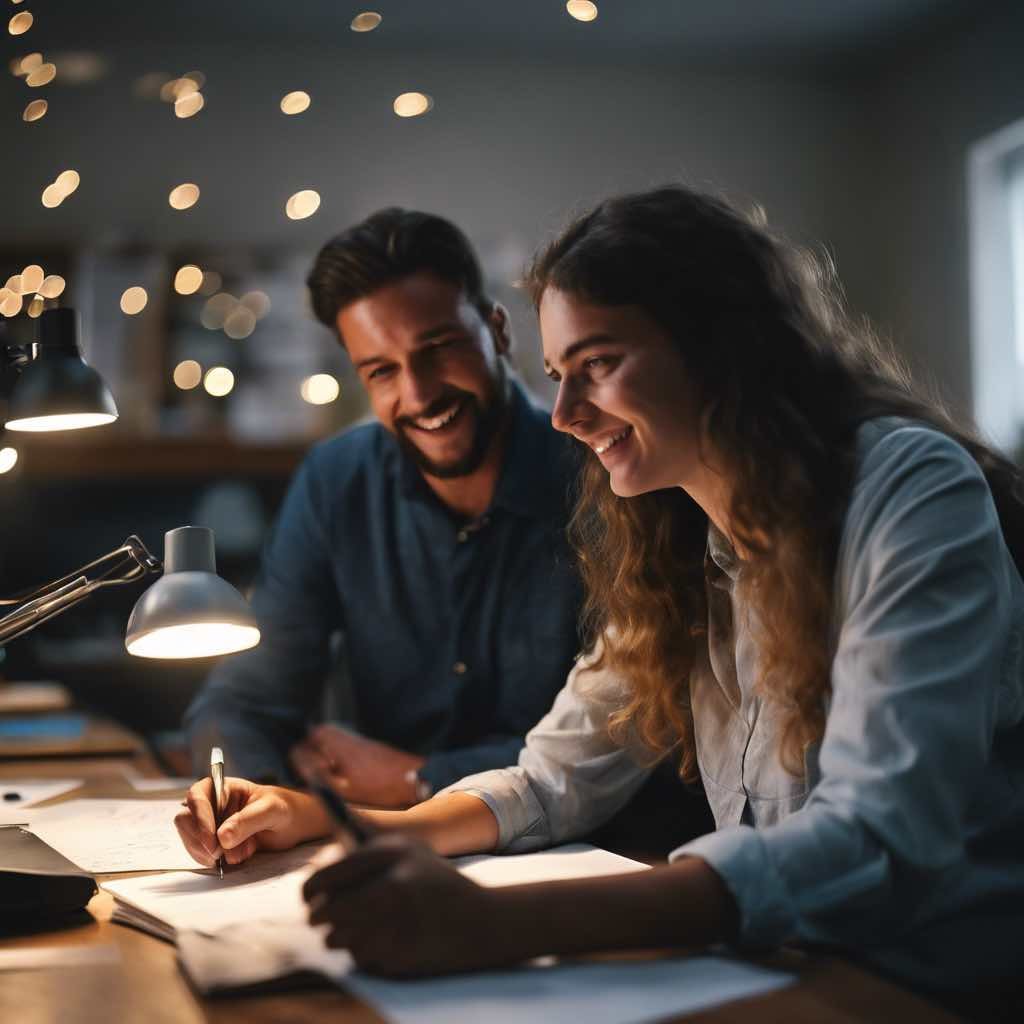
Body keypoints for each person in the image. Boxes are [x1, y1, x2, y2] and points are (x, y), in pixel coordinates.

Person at [176, 186, 1024, 1007]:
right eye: (559, 374)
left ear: (720, 347)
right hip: (781, 967)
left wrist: (496, 923)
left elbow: (878, 837)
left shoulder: (910, 487)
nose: (565, 414)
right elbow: (551, 781)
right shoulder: (674, 537)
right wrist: (334, 822)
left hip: (933, 984)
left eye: (599, 365)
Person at [183, 208, 582, 807]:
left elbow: (633, 739)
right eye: (382, 371)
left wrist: (421, 777)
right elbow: (244, 701)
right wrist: (250, 798)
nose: (419, 394)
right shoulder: (335, 482)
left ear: (498, 331)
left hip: (588, 861)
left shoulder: (601, 480)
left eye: (439, 348)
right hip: (385, 858)